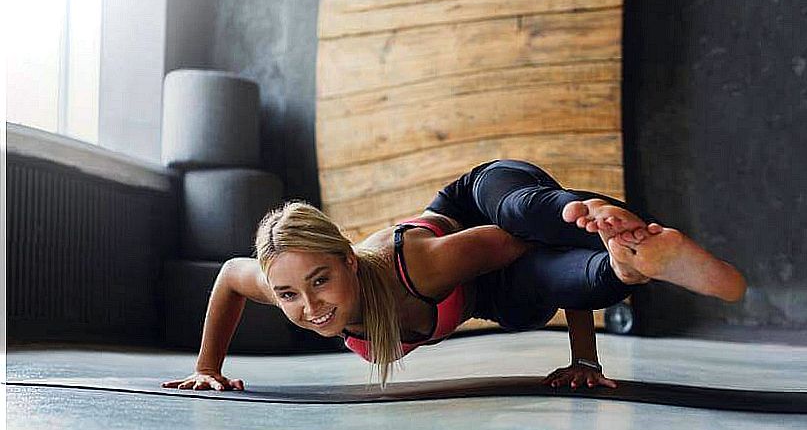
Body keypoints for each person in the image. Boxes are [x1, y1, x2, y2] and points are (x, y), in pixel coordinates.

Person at [162, 159, 746, 393]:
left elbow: (521, 243)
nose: (308, 305)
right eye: (288, 294)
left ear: (345, 259)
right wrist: (207, 368)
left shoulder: (415, 266)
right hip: (484, 285)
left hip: (487, 202)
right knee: (522, 305)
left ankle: (609, 225)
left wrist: (586, 354)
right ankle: (630, 261)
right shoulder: (282, 281)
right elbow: (229, 279)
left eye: (319, 281)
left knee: (530, 217)